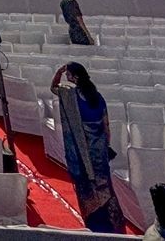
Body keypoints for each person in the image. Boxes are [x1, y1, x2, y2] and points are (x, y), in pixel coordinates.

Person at [51, 62, 123, 233]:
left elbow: (53, 87)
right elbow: (106, 126)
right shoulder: (97, 96)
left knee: (87, 185)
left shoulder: (70, 95)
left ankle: (94, 219)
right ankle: (112, 219)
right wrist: (106, 145)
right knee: (104, 183)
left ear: (74, 77)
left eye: (68, 74)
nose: (67, 77)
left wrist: (58, 72)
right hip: (99, 147)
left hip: (83, 148)